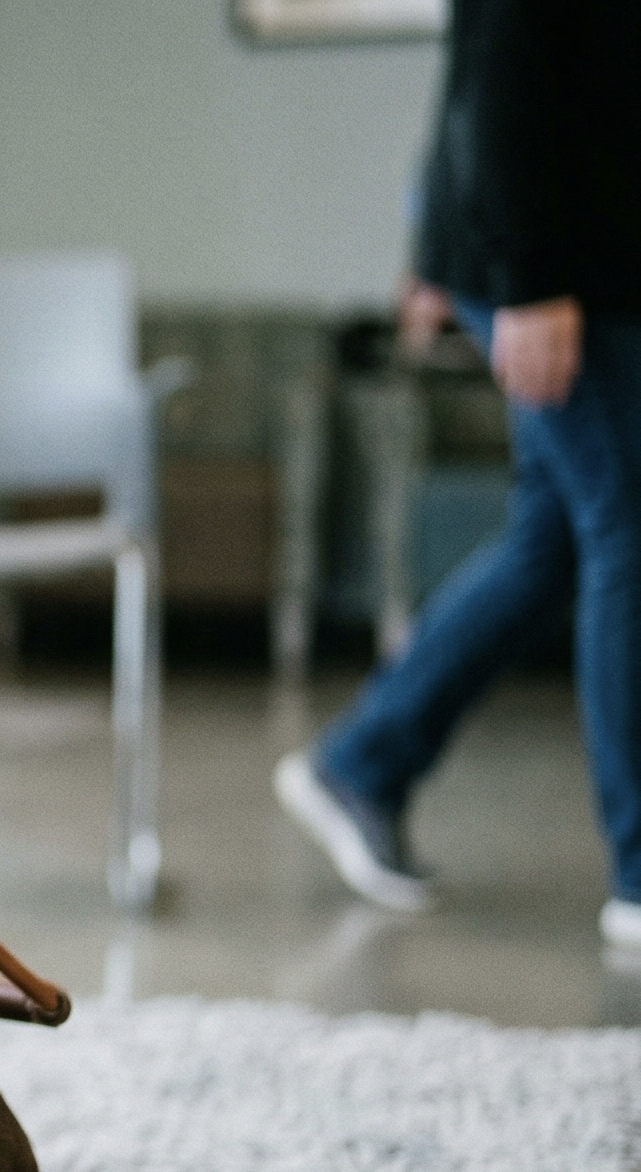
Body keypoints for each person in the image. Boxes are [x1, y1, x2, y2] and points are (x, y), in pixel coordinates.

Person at [276, 0, 641, 948]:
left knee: (557, 535)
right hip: (551, 270)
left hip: (587, 257)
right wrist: (526, 280)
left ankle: (362, 763)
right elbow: (499, 80)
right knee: (627, 528)